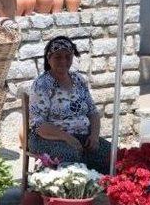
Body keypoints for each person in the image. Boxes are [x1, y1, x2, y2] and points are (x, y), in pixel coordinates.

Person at [28, 36, 110, 174]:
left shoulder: (78, 80)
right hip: (47, 138)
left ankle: (100, 188)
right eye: (58, 57)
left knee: (113, 154)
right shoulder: (42, 84)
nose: (63, 61)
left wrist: (94, 137)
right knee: (70, 155)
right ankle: (67, 191)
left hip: (81, 137)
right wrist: (67, 138)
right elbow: (39, 125)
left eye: (68, 56)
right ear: (49, 58)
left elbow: (93, 112)